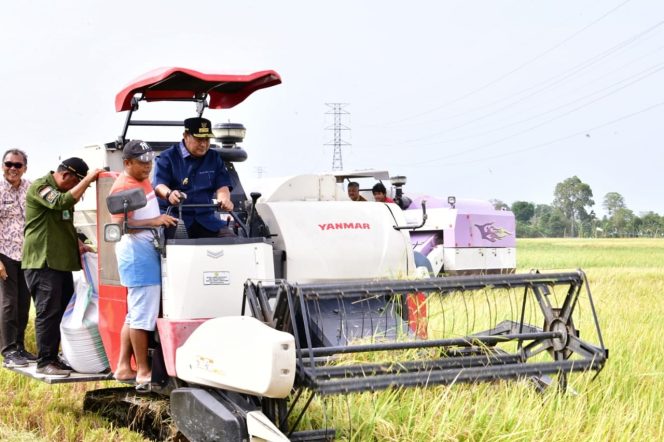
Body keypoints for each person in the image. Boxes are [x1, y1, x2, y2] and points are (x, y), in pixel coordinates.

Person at [22, 157, 103, 378]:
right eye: (77, 182)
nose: (79, 190)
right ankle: (45, 361)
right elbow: (60, 203)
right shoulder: (41, 187)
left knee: (64, 310)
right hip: (43, 263)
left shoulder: (61, 194)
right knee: (48, 312)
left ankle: (55, 356)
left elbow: (63, 220)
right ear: (66, 176)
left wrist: (79, 244)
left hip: (60, 264)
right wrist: (87, 180)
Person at [109, 140, 177, 390]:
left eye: (150, 161)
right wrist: (156, 221)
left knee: (134, 313)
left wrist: (164, 193)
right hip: (138, 256)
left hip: (145, 253)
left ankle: (123, 366)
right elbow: (119, 226)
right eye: (141, 162)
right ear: (127, 163)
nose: (147, 166)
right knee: (142, 317)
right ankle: (143, 372)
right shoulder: (124, 187)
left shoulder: (140, 178)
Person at [153, 117, 234, 238]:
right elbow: (159, 186)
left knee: (230, 239)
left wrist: (225, 199)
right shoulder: (167, 157)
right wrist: (170, 194)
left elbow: (222, 185)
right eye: (199, 139)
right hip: (176, 218)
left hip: (206, 219)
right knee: (179, 244)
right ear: (186, 135)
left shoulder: (214, 158)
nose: (203, 144)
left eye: (207, 139)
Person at [0, 149, 35, 368]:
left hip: (28, 255)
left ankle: (20, 347)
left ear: (25, 168)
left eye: (17, 165)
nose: (13, 168)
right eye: (8, 164)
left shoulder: (30, 188)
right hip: (4, 254)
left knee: (23, 303)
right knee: (8, 304)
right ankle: (8, 351)